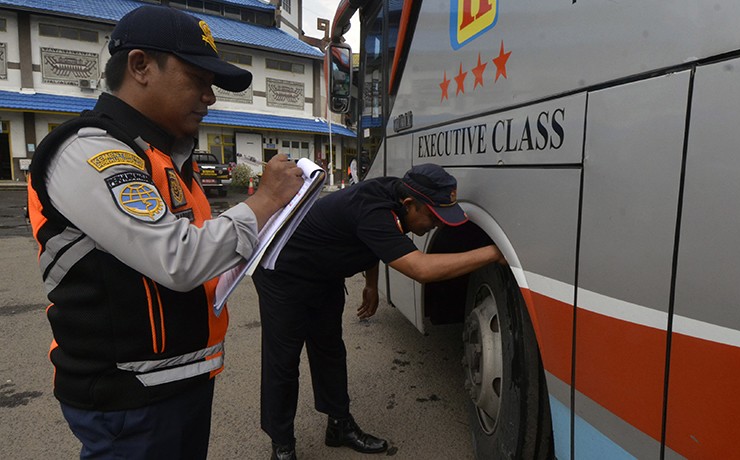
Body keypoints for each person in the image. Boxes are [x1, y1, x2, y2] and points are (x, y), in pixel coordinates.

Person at [26, 5, 303, 459]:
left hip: (179, 380)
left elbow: (205, 248)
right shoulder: (89, 149)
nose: (209, 97)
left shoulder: (164, 156)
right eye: (197, 79)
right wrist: (265, 200)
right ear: (140, 66)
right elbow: (180, 259)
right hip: (128, 397)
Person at [253, 163, 505, 460]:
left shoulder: (396, 196)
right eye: (433, 216)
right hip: (284, 273)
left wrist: (371, 285)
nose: (437, 225)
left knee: (330, 351)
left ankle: (339, 425)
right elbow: (421, 269)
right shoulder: (374, 210)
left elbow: (371, 240)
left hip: (325, 273)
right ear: (409, 204)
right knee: (283, 362)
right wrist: (494, 252)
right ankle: (282, 445)